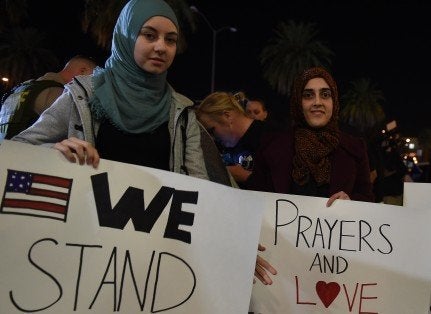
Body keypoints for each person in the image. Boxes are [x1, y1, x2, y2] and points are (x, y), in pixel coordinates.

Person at [10, 0, 275, 284]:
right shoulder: (83, 95)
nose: (161, 46)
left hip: (150, 268)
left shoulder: (181, 113)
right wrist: (53, 151)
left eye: (170, 40)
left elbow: (201, 191)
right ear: (126, 36)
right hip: (84, 255)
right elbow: (16, 150)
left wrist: (232, 244)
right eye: (149, 35)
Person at [246, 66, 375, 206]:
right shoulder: (270, 146)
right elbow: (255, 200)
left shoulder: (355, 148)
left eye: (325, 95)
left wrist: (351, 203)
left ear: (334, 102)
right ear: (298, 102)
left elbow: (366, 199)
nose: (317, 102)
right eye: (308, 95)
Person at [0, 55, 97, 140]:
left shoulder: (22, 88)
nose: (92, 85)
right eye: (92, 77)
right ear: (83, 71)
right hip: (28, 155)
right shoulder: (58, 94)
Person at [195, 91, 271, 184]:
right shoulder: (219, 146)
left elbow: (280, 187)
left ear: (227, 116)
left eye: (212, 130)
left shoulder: (269, 138)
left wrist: (247, 177)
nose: (211, 138)